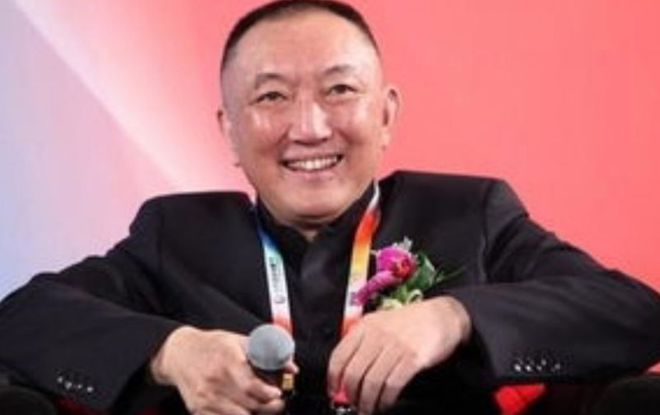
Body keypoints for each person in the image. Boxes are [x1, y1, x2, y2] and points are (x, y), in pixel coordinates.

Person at [1, 1, 659, 414]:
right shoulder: (176, 234)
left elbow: (633, 312)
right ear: (229, 131)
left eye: (339, 90)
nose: (310, 127)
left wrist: (452, 317)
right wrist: (171, 350)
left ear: (386, 113)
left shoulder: (468, 214)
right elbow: (22, 318)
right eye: (272, 97)